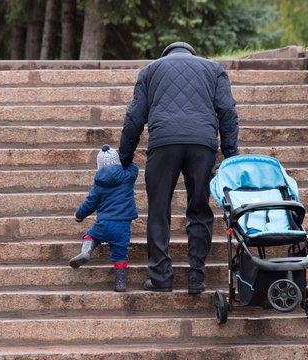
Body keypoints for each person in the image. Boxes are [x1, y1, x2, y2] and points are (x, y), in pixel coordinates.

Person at [118, 41, 239, 294]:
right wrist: (230, 154)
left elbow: (135, 115)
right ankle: (196, 276)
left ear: (166, 55)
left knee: (159, 210)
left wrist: (125, 154)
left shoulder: (150, 70)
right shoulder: (214, 69)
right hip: (202, 145)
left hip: (163, 144)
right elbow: (227, 110)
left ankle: (161, 278)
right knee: (200, 209)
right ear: (192, 54)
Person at [69, 144, 139, 292]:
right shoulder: (128, 176)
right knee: (120, 253)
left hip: (104, 224)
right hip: (122, 226)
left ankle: (86, 251)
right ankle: (120, 283)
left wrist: (78, 215)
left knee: (90, 236)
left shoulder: (99, 184)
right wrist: (126, 160)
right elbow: (134, 168)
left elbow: (90, 203)